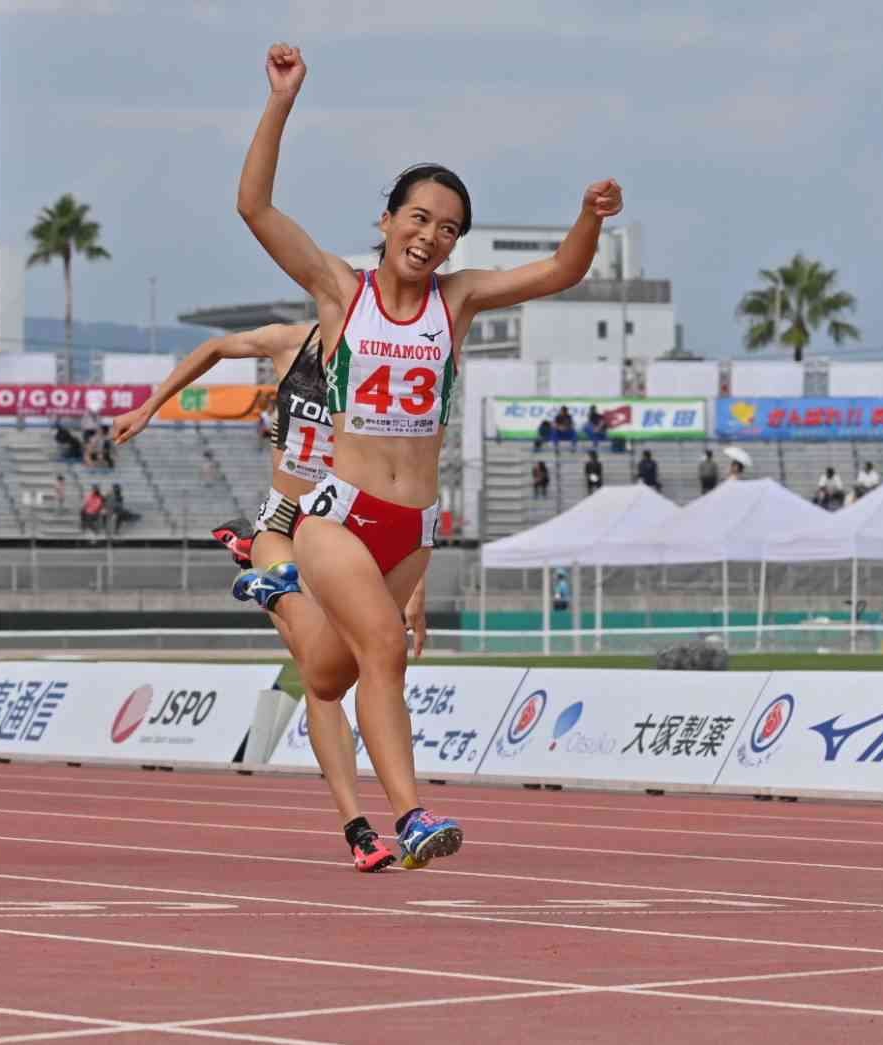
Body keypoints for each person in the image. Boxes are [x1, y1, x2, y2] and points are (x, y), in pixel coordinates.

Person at [238, 41, 621, 868]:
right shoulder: (342, 292)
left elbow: (562, 268)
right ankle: (411, 816)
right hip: (337, 514)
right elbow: (256, 208)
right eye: (418, 218)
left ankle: (278, 595)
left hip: (410, 528)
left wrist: (590, 215)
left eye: (447, 228)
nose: (431, 236)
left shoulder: (461, 297)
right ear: (386, 221)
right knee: (383, 650)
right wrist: (281, 101)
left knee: (333, 675)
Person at [114, 321, 420, 871]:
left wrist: (414, 584)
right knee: (317, 678)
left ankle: (265, 578)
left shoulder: (389, 361)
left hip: (353, 527)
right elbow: (213, 346)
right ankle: (357, 826)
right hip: (288, 517)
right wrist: (150, 406)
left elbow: (408, 470)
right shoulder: (291, 341)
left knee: (336, 672)